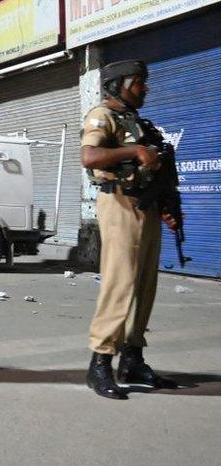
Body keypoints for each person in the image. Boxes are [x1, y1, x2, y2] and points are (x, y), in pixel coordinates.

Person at [81, 59, 181, 400]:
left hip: (147, 207)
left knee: (144, 286)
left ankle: (133, 359)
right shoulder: (102, 116)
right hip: (120, 204)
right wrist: (134, 150)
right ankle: (100, 362)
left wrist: (168, 207)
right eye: (139, 82)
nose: (146, 88)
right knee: (120, 283)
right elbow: (90, 156)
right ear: (118, 85)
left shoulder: (139, 122)